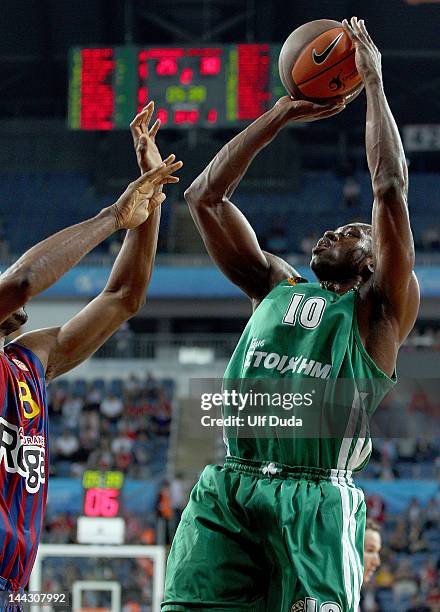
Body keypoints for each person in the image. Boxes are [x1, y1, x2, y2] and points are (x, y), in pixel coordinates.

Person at [161, 17, 419, 612]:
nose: (334, 230)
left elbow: (389, 190)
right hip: (231, 485)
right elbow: (204, 196)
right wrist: (280, 115)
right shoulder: (274, 284)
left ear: (380, 261)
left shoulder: (377, 314)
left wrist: (374, 85)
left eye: (354, 232)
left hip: (314, 501)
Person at [0, 104, 181, 597]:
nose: (26, 310)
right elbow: (21, 282)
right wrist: (113, 217)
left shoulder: (25, 363)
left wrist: (151, 201)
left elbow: (123, 299)